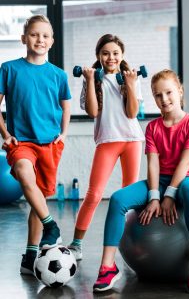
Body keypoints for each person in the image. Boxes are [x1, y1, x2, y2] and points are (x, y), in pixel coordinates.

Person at [92, 69, 189, 294]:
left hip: (188, 178)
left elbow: (185, 163)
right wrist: (154, 197)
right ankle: (108, 266)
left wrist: (169, 196)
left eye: (168, 92)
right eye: (158, 95)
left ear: (180, 91)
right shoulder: (153, 128)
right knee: (117, 199)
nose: (164, 99)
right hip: (160, 181)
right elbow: (153, 165)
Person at [0, 15, 71, 275]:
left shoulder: (58, 75)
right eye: (34, 34)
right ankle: (52, 227)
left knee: (37, 199)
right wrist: (6, 134)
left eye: (44, 35)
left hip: (50, 144)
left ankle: (30, 257)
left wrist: (63, 133)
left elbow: (66, 105)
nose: (39, 39)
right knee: (24, 172)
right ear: (23, 38)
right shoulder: (9, 69)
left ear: (51, 42)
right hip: (21, 143)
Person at [68, 34, 144, 260]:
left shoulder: (131, 78)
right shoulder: (93, 79)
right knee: (94, 194)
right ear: (98, 56)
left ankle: (131, 243)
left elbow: (132, 113)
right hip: (107, 141)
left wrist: (130, 84)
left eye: (115, 53)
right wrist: (90, 80)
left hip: (132, 140)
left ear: (122, 56)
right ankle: (76, 243)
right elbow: (92, 112)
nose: (111, 57)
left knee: (129, 195)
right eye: (105, 53)